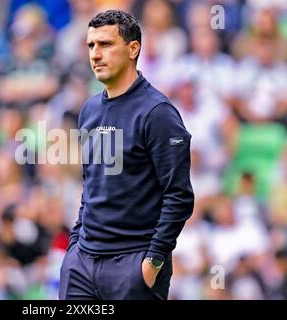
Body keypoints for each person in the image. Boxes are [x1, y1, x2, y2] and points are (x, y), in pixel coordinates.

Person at [59, 10, 194, 300]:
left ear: (133, 49)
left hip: (132, 266)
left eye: (106, 44)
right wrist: (74, 247)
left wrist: (153, 261)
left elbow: (179, 196)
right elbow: (92, 184)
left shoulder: (158, 113)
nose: (96, 54)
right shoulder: (89, 110)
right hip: (82, 264)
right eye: (91, 46)